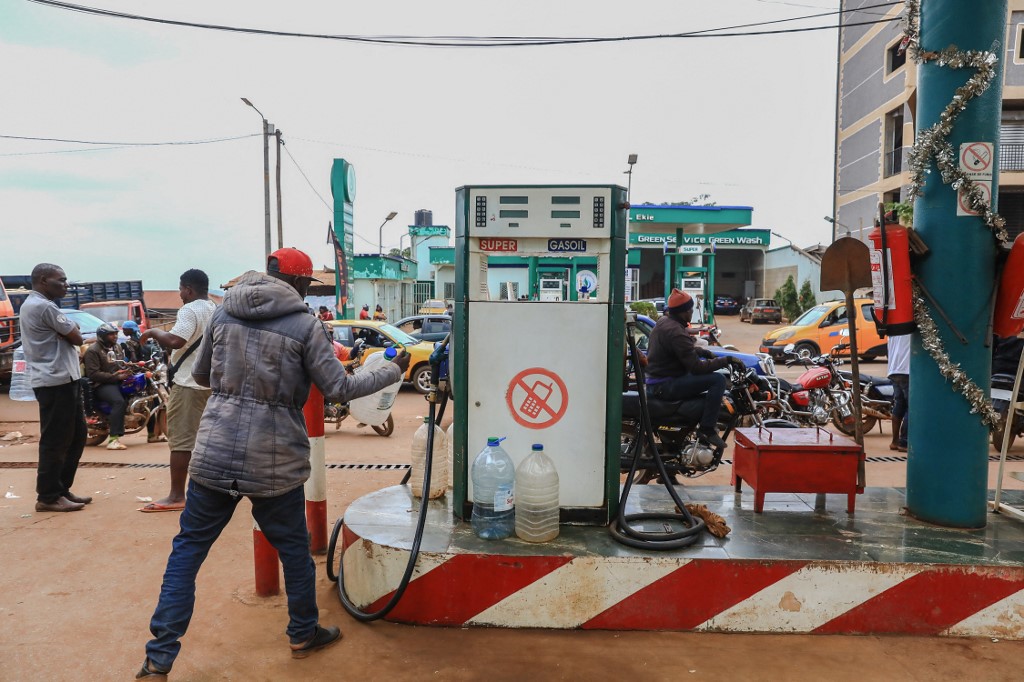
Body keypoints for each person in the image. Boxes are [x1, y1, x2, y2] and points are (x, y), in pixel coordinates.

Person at [136, 247, 409, 679]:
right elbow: (338, 388)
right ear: (299, 283)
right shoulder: (304, 325)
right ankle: (303, 633)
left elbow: (203, 375)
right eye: (307, 285)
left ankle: (159, 657)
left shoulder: (224, 313)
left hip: (214, 451)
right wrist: (391, 371)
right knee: (295, 552)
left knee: (187, 552)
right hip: (274, 459)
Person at [138, 269, 216, 513]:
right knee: (206, 442)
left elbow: (175, 341)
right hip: (209, 384)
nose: (180, 294)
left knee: (181, 442)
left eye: (181, 289)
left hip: (188, 384)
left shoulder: (190, 310)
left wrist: (152, 332)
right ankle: (209, 493)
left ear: (189, 289)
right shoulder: (214, 309)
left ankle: (176, 496)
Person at [20, 263, 91, 512]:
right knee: (56, 440)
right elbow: (77, 337)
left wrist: (70, 331)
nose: (66, 285)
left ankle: (61, 489)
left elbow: (72, 333)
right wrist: (71, 331)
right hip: (55, 382)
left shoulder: (41, 305)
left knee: (77, 436)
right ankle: (48, 496)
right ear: (43, 281)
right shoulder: (43, 306)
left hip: (65, 379)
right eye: (60, 280)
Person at [644, 288, 745, 452]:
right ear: (683, 312)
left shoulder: (665, 322)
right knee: (718, 380)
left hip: (660, 380)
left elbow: (679, 351)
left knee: (706, 388)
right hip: (665, 385)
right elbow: (697, 368)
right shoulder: (676, 332)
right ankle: (706, 429)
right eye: (690, 310)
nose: (692, 312)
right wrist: (726, 360)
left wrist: (704, 353)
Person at [83, 322, 134, 450]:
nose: (115, 336)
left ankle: (152, 434)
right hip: (101, 384)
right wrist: (116, 376)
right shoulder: (93, 351)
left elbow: (120, 364)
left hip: (116, 380)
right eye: (111, 334)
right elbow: (93, 374)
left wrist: (128, 367)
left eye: (115, 334)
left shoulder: (116, 347)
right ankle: (113, 439)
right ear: (102, 336)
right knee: (118, 402)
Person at [122, 321, 167, 443]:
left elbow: (131, 359)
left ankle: (152, 434)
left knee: (151, 404)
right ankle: (151, 435)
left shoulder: (130, 343)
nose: (123, 331)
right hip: (145, 374)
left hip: (142, 375)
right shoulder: (144, 341)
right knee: (151, 404)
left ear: (129, 330)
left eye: (125, 329)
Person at [888, 333, 911, 452]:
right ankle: (904, 442)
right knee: (912, 406)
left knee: (899, 404)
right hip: (907, 370)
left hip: (893, 369)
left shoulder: (893, 330)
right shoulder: (910, 329)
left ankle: (895, 441)